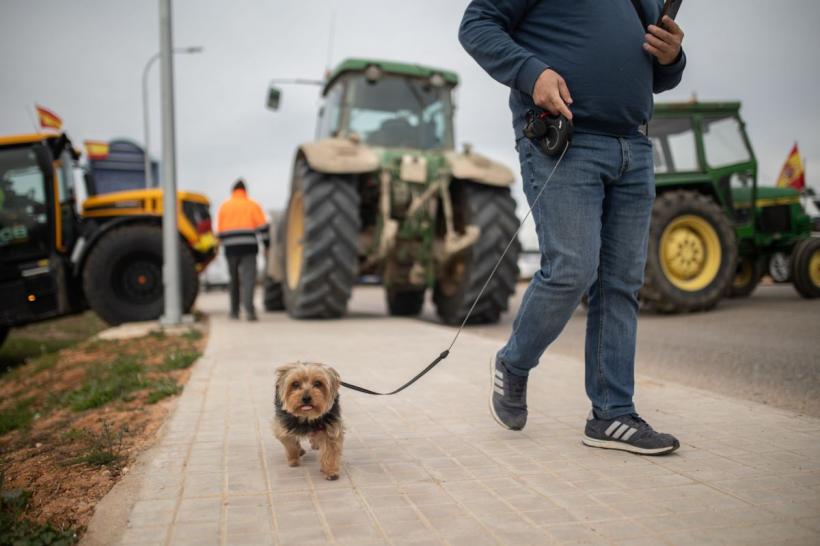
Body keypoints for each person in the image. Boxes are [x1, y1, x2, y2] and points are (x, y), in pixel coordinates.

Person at [459, 0, 686, 455]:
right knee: (572, 269)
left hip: (634, 147)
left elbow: (657, 75)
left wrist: (672, 58)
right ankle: (514, 362)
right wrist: (532, 73)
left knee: (621, 284)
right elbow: (476, 24)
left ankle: (612, 414)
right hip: (567, 142)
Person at [216, 179, 270, 321]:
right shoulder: (252, 205)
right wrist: (266, 245)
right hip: (249, 247)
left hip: (230, 248)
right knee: (248, 279)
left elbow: (220, 232)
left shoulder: (224, 207)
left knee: (233, 279)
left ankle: (234, 312)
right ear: (245, 191)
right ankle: (249, 311)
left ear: (232, 191)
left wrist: (221, 246)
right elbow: (263, 228)